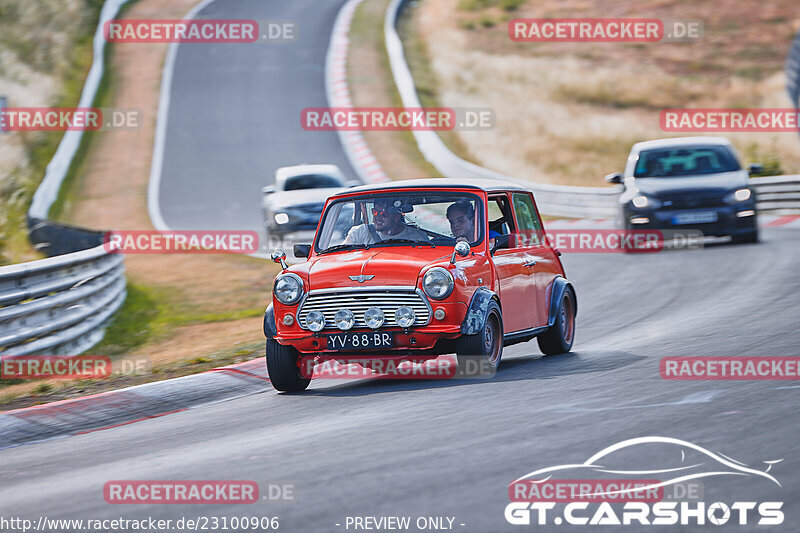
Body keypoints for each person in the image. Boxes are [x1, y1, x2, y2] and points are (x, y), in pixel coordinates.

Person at [344, 198, 429, 245]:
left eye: (384, 214)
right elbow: (343, 257)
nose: (377, 217)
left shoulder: (418, 238)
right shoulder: (359, 233)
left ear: (396, 217)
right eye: (375, 212)